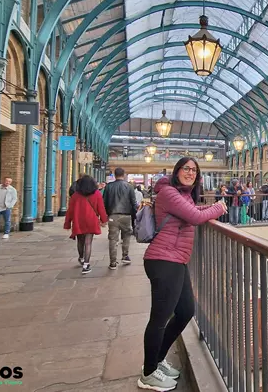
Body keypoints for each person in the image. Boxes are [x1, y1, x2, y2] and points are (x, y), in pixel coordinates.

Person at [139, 157, 228, 391]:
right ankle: (148, 373)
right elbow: (196, 217)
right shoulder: (168, 192)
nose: (190, 173)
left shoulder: (182, 195)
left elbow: (191, 210)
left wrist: (207, 208)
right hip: (163, 260)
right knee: (159, 319)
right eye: (186, 169)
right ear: (177, 170)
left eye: (194, 170)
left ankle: (157, 361)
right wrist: (218, 207)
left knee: (186, 310)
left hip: (176, 260)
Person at [64, 175, 108, 275]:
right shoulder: (97, 194)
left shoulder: (75, 195)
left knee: (80, 241)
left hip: (79, 220)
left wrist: (67, 223)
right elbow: (101, 208)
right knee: (88, 242)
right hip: (91, 220)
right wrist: (103, 220)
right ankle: (86, 265)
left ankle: (81, 258)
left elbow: (70, 211)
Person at [103, 168, 137, 270]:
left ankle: (112, 263)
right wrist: (134, 215)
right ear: (124, 174)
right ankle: (125, 256)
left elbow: (104, 202)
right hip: (126, 215)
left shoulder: (109, 186)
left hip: (113, 215)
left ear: (115, 174)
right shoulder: (129, 186)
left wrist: (106, 215)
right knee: (126, 236)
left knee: (113, 239)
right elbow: (133, 202)